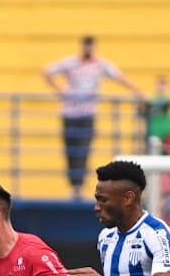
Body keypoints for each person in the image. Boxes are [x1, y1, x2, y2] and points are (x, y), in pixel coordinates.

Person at [43, 35, 144, 200]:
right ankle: (74, 185)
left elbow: (120, 77)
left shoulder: (100, 65)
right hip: (70, 112)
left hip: (88, 113)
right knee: (71, 149)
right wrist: (61, 91)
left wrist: (139, 91)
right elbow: (48, 71)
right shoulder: (72, 63)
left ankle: (79, 186)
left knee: (83, 149)